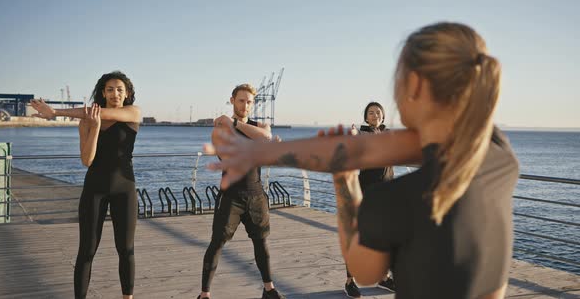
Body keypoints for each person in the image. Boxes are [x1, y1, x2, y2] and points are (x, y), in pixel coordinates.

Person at [205, 22, 520, 299]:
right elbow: (383, 147)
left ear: (414, 86)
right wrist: (265, 152)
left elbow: (364, 269)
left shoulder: (400, 199)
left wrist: (346, 185)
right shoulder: (498, 153)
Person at [30, 71, 141, 299]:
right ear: (103, 92)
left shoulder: (133, 113)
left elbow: (99, 112)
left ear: (127, 93)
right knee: (87, 251)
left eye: (120, 89)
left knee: (126, 250)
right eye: (110, 89)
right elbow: (87, 160)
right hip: (95, 188)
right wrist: (95, 127)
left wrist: (56, 112)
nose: (115, 93)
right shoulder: (88, 120)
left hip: (125, 189)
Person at [198, 84, 285, 299]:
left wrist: (235, 123)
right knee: (217, 242)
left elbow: (265, 138)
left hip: (256, 194)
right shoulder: (220, 129)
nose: (245, 105)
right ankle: (204, 295)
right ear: (232, 100)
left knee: (261, 242)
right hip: (231, 195)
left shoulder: (258, 126)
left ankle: (269, 290)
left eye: (249, 102)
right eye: (241, 101)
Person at [344, 102, 396, 298]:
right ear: (366, 117)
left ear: (383, 116)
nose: (375, 115)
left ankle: (383, 277)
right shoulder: (363, 134)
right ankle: (350, 281)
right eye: (371, 112)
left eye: (378, 112)